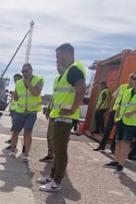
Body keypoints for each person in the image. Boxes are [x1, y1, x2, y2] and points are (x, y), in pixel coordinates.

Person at [37, 43, 86, 192]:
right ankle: (52, 177)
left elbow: (82, 88)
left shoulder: (74, 70)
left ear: (67, 54)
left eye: (59, 56)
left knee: (60, 150)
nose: (57, 59)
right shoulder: (66, 74)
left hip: (65, 118)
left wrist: (72, 108)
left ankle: (56, 182)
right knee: (56, 148)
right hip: (58, 116)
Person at [103, 70, 136, 174]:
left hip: (132, 122)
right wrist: (116, 116)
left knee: (125, 143)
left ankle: (121, 165)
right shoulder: (127, 91)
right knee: (118, 141)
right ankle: (116, 162)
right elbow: (120, 105)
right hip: (121, 120)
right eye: (134, 78)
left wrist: (133, 113)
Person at [6, 63, 43, 161]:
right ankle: (12, 150)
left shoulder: (38, 80)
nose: (24, 73)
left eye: (26, 71)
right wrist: (15, 95)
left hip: (31, 111)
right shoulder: (18, 83)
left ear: (31, 70)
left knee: (27, 132)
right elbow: (17, 97)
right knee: (15, 132)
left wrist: (28, 84)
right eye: (22, 71)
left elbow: (36, 93)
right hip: (19, 111)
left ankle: (26, 154)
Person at [93, 78, 131, 153]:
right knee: (107, 129)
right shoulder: (122, 87)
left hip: (122, 113)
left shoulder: (134, 91)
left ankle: (113, 149)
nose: (133, 80)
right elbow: (114, 97)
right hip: (114, 111)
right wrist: (111, 108)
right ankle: (102, 145)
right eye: (131, 79)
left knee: (117, 131)